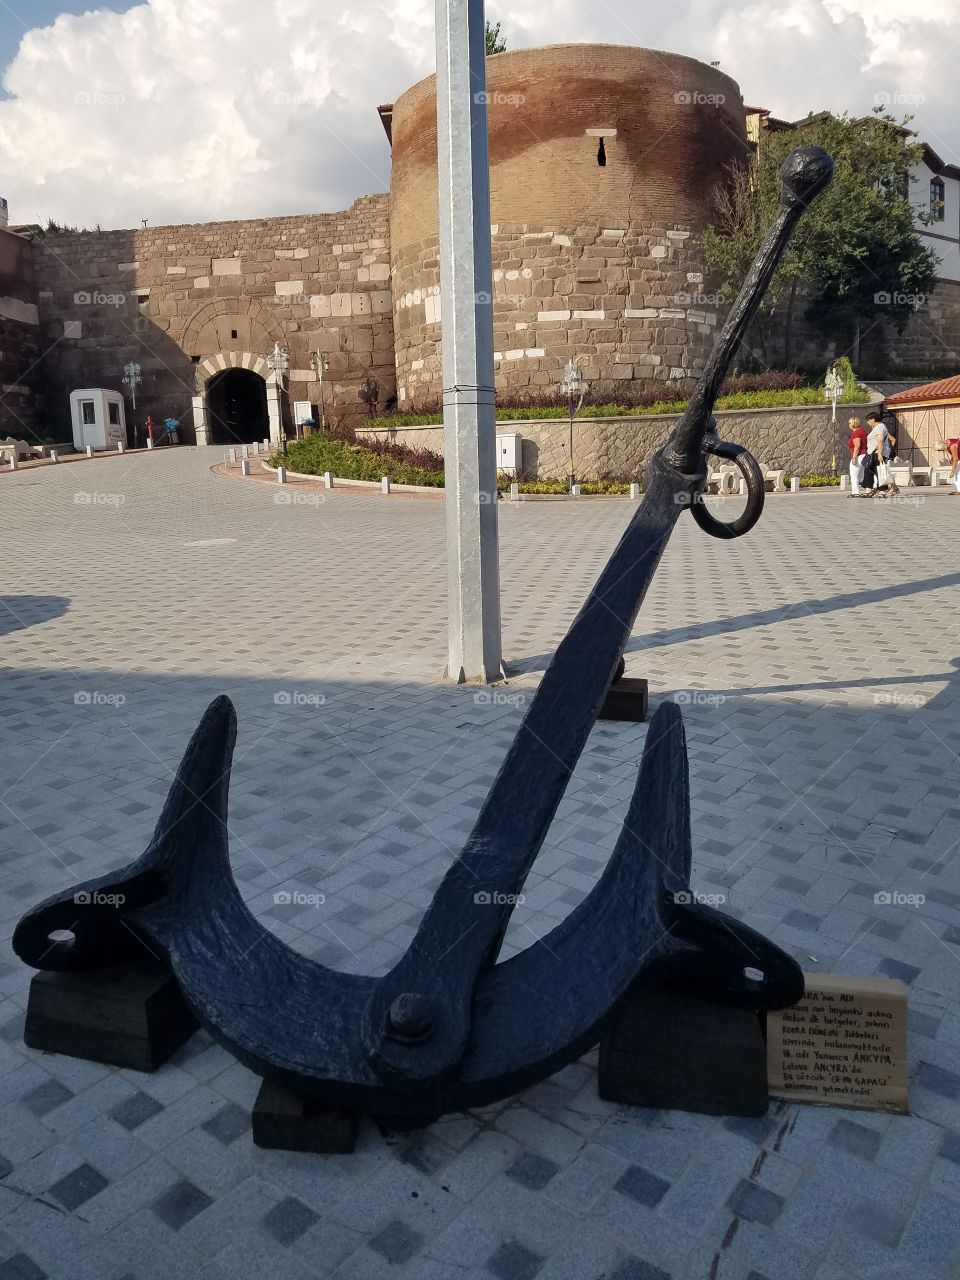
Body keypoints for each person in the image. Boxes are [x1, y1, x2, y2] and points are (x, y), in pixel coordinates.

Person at [866, 411, 898, 497]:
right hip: (875, 452)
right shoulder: (880, 427)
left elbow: (880, 440)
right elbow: (892, 439)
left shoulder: (880, 427)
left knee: (879, 471)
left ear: (873, 419)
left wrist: (881, 453)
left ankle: (881, 490)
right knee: (880, 471)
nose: (867, 422)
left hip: (877, 453)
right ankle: (893, 488)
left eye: (868, 420)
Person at [847, 417, 868, 496]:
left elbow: (857, 445)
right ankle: (869, 488)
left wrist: (854, 457)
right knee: (862, 475)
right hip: (864, 455)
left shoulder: (857, 433)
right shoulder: (862, 431)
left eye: (849, 423)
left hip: (859, 456)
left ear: (853, 424)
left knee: (854, 474)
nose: (849, 425)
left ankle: (855, 492)